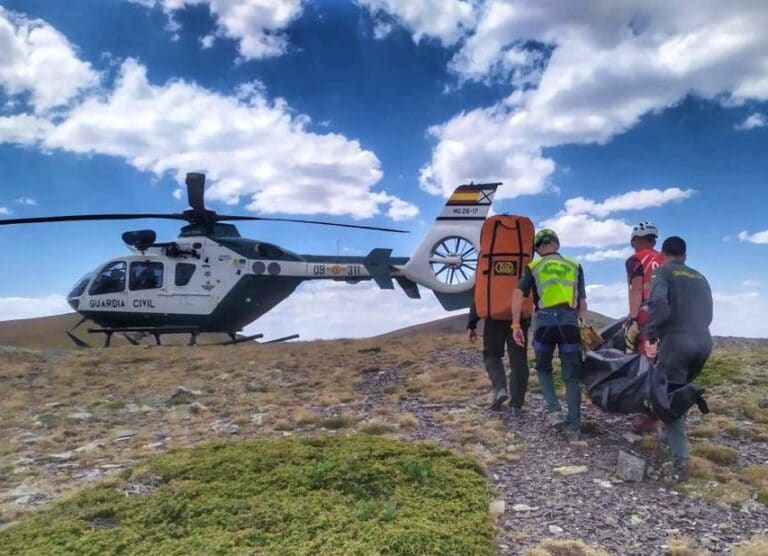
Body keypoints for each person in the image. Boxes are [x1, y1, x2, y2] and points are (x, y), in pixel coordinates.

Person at [645, 236, 713, 482]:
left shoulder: (662, 273)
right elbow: (709, 313)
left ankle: (679, 463)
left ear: (663, 253)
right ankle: (671, 440)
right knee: (680, 392)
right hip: (703, 342)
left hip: (677, 343)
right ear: (685, 255)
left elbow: (659, 304)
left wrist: (651, 334)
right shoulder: (700, 277)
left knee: (669, 399)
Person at [511, 229, 587, 441]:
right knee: (571, 376)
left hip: (544, 323)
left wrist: (516, 325)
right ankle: (574, 427)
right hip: (569, 323)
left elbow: (518, 294)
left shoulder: (534, 266)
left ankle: (554, 411)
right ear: (557, 244)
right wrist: (583, 324)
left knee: (543, 368)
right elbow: (582, 303)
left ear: (537, 249)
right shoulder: (574, 265)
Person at [624, 221, 663, 434]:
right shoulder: (665, 258)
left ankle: (648, 416)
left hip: (649, 315)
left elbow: (636, 289)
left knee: (646, 361)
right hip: (671, 316)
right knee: (662, 361)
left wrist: (633, 318)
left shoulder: (635, 259)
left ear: (637, 239)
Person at [467, 300, 530, 415]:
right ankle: (516, 405)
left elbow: (478, 296)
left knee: (491, 355)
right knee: (519, 360)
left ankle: (500, 389)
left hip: (493, 319)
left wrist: (472, 324)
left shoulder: (484, 279)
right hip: (518, 319)